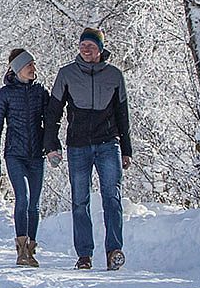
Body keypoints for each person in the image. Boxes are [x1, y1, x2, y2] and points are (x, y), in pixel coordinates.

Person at [44, 28, 134, 271]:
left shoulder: (115, 75)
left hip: (108, 144)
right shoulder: (66, 74)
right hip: (78, 145)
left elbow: (122, 114)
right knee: (79, 201)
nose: (86, 49)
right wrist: (52, 145)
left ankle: (114, 251)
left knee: (112, 197)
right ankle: (84, 255)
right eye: (83, 45)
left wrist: (126, 149)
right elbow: (53, 113)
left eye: (91, 46)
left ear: (100, 49)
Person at [0, 47, 48, 267]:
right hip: (15, 154)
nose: (33, 69)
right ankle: (21, 249)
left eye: (33, 65)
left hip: (36, 155)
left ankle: (31, 249)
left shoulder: (40, 92)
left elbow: (51, 122)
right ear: (18, 69)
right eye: (29, 65)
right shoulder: (5, 94)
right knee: (22, 198)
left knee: (34, 203)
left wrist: (52, 147)